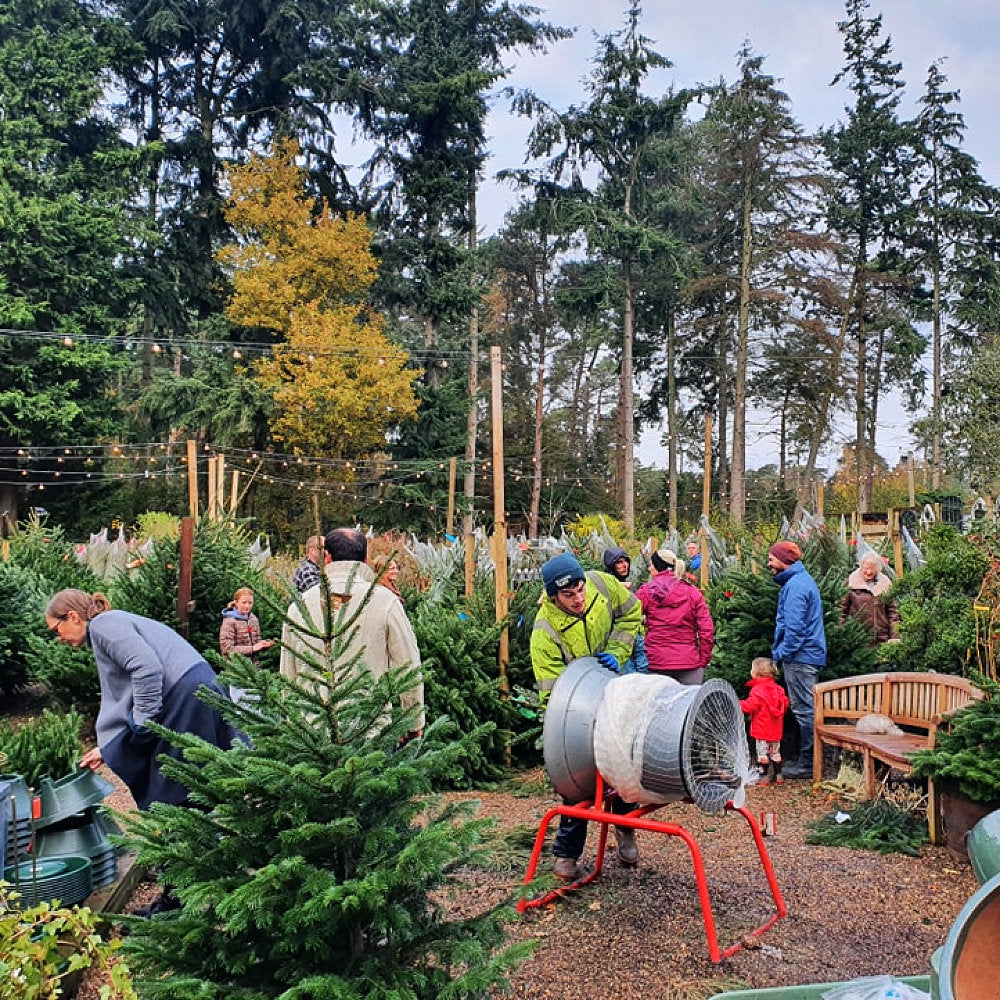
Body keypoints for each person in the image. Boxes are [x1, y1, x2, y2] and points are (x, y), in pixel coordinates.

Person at [45, 590, 241, 811]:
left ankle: (195, 843)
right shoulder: (113, 622)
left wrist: (142, 723)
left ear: (72, 616)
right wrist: (108, 750)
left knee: (175, 797)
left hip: (187, 697)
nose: (58, 638)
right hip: (196, 689)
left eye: (56, 629)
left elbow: (146, 668)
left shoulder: (103, 625)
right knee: (195, 789)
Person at [531, 552, 643, 879]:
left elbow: (632, 611)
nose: (579, 598)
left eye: (580, 589)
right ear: (554, 596)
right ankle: (565, 857)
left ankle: (626, 829)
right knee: (576, 783)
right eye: (569, 595)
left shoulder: (602, 584)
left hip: (615, 690)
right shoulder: (545, 632)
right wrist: (583, 712)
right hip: (575, 716)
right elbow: (552, 698)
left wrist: (618, 653)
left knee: (622, 763)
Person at [280, 527, 424, 741]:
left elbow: (288, 673)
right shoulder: (386, 602)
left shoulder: (299, 605)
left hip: (311, 734)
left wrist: (291, 724)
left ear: (326, 558)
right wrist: (412, 722)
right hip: (371, 732)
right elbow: (408, 666)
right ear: (366, 558)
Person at [768, 540, 826, 779]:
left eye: (772, 559)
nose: (769, 563)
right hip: (805, 655)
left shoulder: (796, 587)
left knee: (805, 711)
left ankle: (808, 763)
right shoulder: (798, 582)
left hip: (801, 657)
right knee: (806, 709)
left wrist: (780, 654)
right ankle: (811, 759)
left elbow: (794, 629)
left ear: (784, 560)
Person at [635, 547, 714, 685]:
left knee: (658, 705)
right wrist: (703, 659)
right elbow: (706, 629)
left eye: (651, 565)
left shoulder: (646, 592)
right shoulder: (692, 592)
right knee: (689, 705)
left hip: (657, 662)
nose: (649, 568)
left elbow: (629, 619)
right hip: (688, 662)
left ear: (657, 567)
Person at [739, 657, 789, 785]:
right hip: (776, 730)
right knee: (775, 751)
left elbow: (750, 706)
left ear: (757, 674)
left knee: (762, 753)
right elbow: (785, 703)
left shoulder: (757, 690)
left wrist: (737, 703)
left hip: (761, 730)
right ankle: (779, 775)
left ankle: (764, 776)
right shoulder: (780, 689)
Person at [219, 587, 274, 703]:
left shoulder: (253, 619)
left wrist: (263, 645)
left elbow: (257, 642)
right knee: (241, 704)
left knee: (255, 704)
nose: (247, 606)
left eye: (250, 603)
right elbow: (227, 649)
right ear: (236, 602)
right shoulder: (230, 621)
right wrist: (252, 648)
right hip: (237, 671)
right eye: (244, 602)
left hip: (254, 670)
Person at [601, 546, 649, 673]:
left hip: (636, 638)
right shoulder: (606, 587)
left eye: (625, 561)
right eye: (619, 562)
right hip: (619, 640)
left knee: (644, 675)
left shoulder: (628, 586)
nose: (624, 565)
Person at [840, 552, 898, 645]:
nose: (869, 572)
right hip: (857, 639)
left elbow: (893, 613)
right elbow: (841, 610)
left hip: (882, 639)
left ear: (878, 569)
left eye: (873, 569)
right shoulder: (851, 583)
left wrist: (895, 636)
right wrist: (840, 633)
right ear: (861, 567)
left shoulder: (886, 584)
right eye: (866, 569)